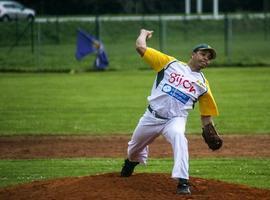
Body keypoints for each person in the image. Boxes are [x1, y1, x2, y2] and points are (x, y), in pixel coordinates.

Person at [120, 29, 219, 195]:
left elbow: (206, 114)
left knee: (180, 137)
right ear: (193, 54)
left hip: (175, 120)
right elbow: (140, 47)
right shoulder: (169, 64)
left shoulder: (203, 84)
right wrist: (144, 34)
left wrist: (209, 129)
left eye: (209, 58)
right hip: (151, 117)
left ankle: (183, 181)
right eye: (203, 54)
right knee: (133, 149)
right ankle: (131, 162)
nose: (206, 59)